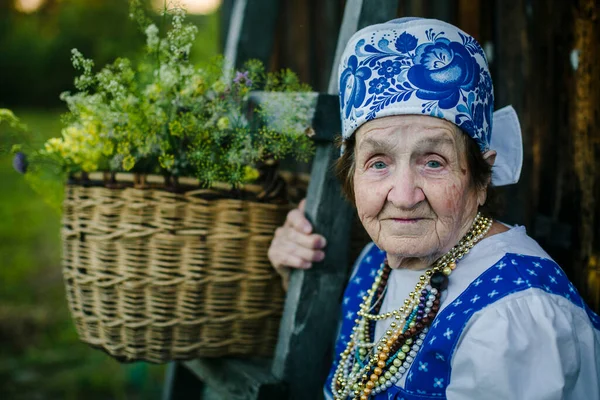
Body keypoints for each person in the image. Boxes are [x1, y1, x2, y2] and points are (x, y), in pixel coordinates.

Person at [267, 17, 600, 400]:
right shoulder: (374, 265)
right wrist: (293, 275)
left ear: (481, 177)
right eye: (378, 162)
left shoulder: (513, 317)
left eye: (433, 162)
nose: (405, 196)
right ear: (352, 175)